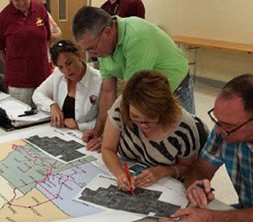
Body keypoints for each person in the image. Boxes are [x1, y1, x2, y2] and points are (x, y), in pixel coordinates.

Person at [72, 6, 194, 150]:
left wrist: (108, 137)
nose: (92, 54)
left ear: (107, 32)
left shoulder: (137, 37)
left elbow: (131, 97)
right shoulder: (104, 46)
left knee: (180, 145)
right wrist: (99, 131)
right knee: (150, 147)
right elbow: (108, 92)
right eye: (86, 50)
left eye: (92, 48)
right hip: (146, 93)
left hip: (175, 90)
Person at [168, 74, 253, 222]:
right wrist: (195, 186)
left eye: (228, 125)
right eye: (217, 120)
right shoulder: (224, 131)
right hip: (247, 212)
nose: (217, 130)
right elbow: (200, 170)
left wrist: (212, 217)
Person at [102, 70, 207, 191]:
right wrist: (120, 174)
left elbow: (188, 167)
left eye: (151, 118)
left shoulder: (184, 126)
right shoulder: (121, 106)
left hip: (168, 187)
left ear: (165, 111)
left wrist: (163, 171)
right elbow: (107, 148)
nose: (143, 125)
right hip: (135, 177)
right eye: (135, 117)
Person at [32, 40, 102, 131]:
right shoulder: (58, 74)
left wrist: (80, 126)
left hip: (87, 135)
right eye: (61, 67)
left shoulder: (99, 80)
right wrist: (52, 105)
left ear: (78, 55)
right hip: (61, 132)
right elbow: (37, 94)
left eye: (69, 63)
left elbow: (105, 120)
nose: (66, 71)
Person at [0, 0, 51, 106]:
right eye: (17, 0)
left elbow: (47, 38)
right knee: (22, 116)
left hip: (43, 76)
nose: (21, 3)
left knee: (45, 113)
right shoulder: (2, 18)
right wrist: (10, 64)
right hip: (19, 81)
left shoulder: (40, 10)